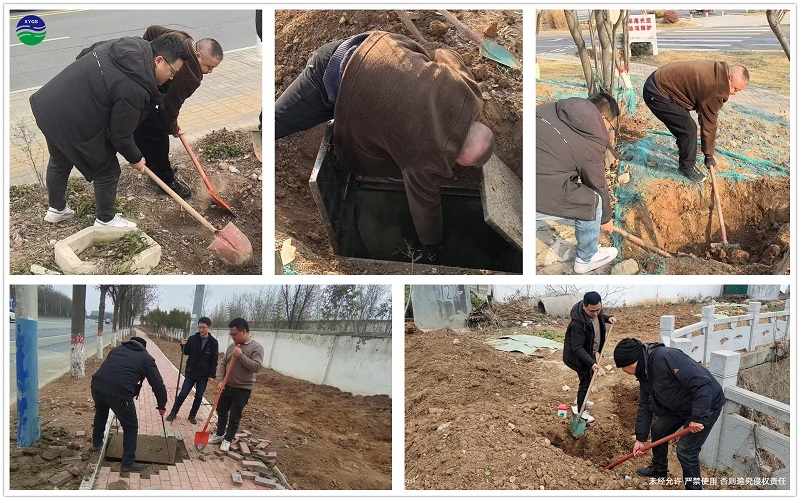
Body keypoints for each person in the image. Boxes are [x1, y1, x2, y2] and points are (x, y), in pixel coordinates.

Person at [275, 31, 495, 263]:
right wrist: (433, 246)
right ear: (460, 157)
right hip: (329, 74)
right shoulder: (428, 156)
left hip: (372, 45)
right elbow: (424, 206)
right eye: (460, 164)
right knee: (274, 124)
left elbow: (444, 53)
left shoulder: (470, 92)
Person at [30, 33, 188, 228]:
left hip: (50, 106)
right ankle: (106, 220)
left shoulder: (130, 46)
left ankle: (56, 210)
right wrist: (136, 158)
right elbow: (120, 135)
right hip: (70, 117)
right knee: (108, 170)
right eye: (172, 72)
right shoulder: (134, 88)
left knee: (60, 160)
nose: (171, 77)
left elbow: (84, 54)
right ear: (159, 60)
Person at [613, 337, 725, 490]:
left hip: (706, 404)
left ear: (632, 362)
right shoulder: (643, 372)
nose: (624, 372)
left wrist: (698, 417)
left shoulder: (666, 357)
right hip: (681, 406)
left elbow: (703, 383)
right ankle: (659, 471)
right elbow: (645, 405)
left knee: (686, 451)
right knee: (658, 429)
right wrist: (640, 438)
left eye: (623, 368)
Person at [135, 26, 224, 199]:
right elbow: (170, 107)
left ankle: (155, 168)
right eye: (208, 66)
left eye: (214, 68)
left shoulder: (181, 38)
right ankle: (165, 181)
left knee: (150, 136)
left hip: (145, 87)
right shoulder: (192, 76)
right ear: (198, 55)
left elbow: (151, 31)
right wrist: (173, 128)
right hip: (144, 96)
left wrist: (148, 56)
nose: (209, 71)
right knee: (158, 138)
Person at [536, 93, 620, 273]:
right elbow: (597, 184)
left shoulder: (550, 108)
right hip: (537, 194)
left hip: (522, 179)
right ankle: (587, 258)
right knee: (593, 201)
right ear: (604, 118)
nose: (609, 131)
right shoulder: (594, 137)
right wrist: (605, 219)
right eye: (611, 126)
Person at [643, 60, 749, 183]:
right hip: (657, 92)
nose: (734, 93)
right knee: (688, 129)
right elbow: (709, 123)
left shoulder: (718, 70)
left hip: (662, 82)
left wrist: (707, 151)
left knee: (685, 123)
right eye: (735, 88)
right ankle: (686, 167)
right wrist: (708, 155)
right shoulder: (716, 89)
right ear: (729, 78)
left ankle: (687, 150)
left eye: (738, 91)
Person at [91, 336, 168, 472]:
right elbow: (158, 384)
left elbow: (111, 370)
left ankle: (97, 443)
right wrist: (162, 405)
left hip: (97, 387)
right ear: (143, 347)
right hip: (120, 393)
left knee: (101, 413)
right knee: (131, 426)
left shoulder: (117, 350)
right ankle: (128, 463)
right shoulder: (146, 358)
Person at [209, 318, 264, 452]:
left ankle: (227, 439)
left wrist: (241, 355)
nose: (232, 337)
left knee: (235, 416)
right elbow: (223, 363)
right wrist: (221, 380)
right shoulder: (231, 346)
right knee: (221, 410)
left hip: (243, 389)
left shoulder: (256, 348)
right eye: (231, 335)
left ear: (243, 331)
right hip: (227, 386)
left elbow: (257, 367)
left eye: (234, 334)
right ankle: (220, 434)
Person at [562, 291, 617, 423]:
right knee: (586, 381)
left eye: (598, 309)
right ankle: (581, 410)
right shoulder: (578, 324)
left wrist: (608, 318)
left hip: (589, 352)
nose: (596, 313)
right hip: (577, 357)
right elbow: (577, 348)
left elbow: (600, 316)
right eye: (592, 311)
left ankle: (582, 399)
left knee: (588, 377)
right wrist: (591, 362)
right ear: (584, 307)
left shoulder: (596, 311)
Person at [166, 317, 218, 424]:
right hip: (191, 372)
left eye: (204, 327)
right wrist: (183, 345)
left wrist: (212, 375)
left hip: (203, 374)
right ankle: (173, 413)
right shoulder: (193, 339)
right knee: (183, 393)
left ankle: (192, 415)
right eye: (199, 327)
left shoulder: (213, 343)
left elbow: (214, 359)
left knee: (199, 396)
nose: (201, 330)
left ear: (209, 328)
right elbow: (186, 352)